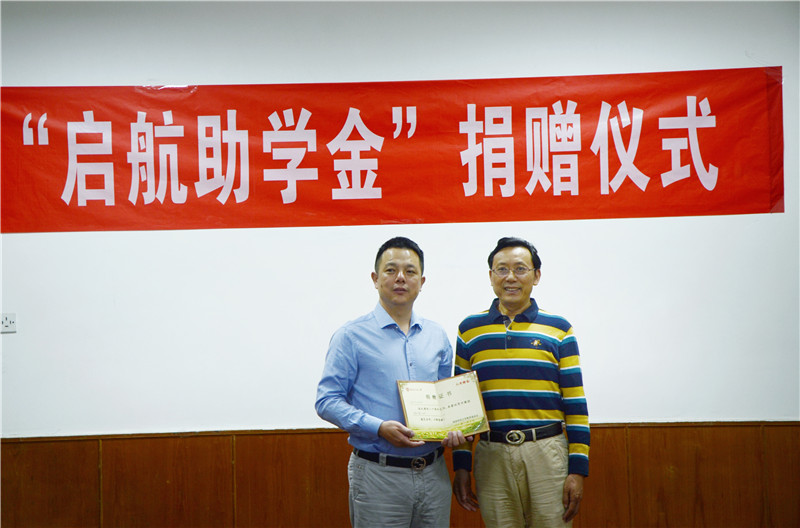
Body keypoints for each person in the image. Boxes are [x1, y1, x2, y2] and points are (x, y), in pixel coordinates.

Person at [315, 236, 466, 528]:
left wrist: (455, 428)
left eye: (410, 271)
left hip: (433, 472)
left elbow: (445, 402)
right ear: (375, 279)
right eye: (391, 270)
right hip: (378, 474)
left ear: (421, 282)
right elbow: (327, 401)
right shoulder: (351, 336)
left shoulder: (436, 336)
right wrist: (378, 427)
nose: (400, 278)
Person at [452, 236, 590, 528]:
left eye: (520, 269)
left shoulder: (559, 329)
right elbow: (463, 410)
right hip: (491, 456)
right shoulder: (469, 331)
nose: (510, 277)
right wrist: (461, 467)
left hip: (547, 453)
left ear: (536, 276)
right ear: (491, 276)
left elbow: (576, 406)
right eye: (501, 269)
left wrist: (578, 470)